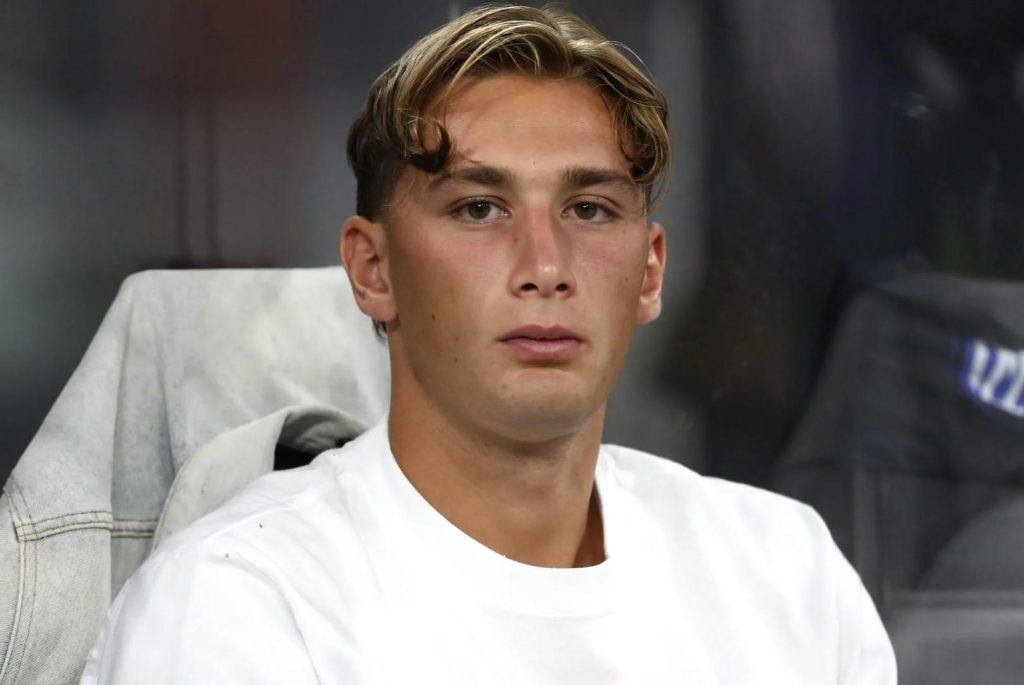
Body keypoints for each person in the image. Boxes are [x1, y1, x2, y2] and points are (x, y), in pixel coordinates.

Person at [81, 5, 897, 683]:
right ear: (372, 269)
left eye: (589, 210)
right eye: (478, 208)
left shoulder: (786, 575)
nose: (545, 266)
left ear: (649, 272)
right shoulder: (242, 604)